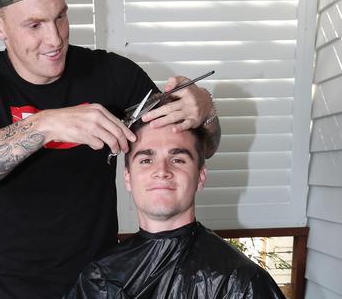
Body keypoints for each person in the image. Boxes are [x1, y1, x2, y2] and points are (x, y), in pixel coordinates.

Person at [0, 0, 220, 298]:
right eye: (34, 25)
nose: (55, 39)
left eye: (61, 16)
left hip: (103, 285)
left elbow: (196, 147)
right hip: (16, 290)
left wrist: (205, 110)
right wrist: (44, 123)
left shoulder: (112, 74)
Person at [65, 121, 284, 298]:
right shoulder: (99, 278)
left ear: (200, 177)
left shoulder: (239, 281)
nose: (162, 171)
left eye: (177, 159)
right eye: (146, 159)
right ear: (128, 178)